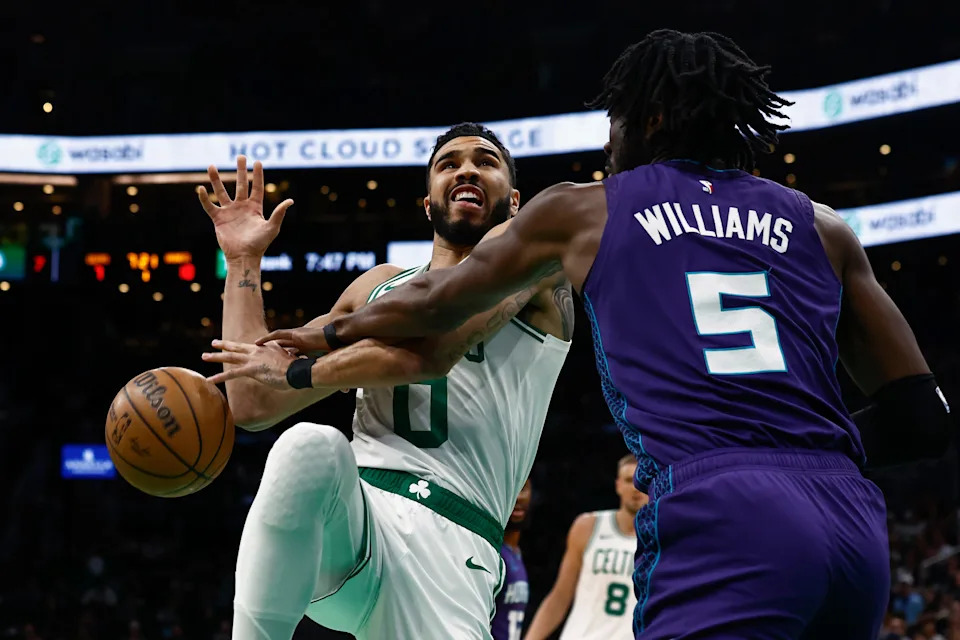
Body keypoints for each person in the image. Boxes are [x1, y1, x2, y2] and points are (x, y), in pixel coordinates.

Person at [258, 30, 953, 639]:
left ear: (648, 119)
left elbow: (435, 305)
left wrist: (319, 339)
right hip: (852, 527)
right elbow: (925, 416)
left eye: (614, 122)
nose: (605, 142)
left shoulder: (587, 210)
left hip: (723, 509)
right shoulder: (823, 226)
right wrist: (811, 455)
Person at [198, 124, 573, 640]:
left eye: (485, 161)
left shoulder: (538, 266)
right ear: (427, 204)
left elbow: (434, 344)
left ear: (514, 201)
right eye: (448, 163)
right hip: (358, 522)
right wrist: (243, 259)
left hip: (454, 544)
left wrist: (300, 369)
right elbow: (252, 398)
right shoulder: (376, 288)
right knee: (309, 445)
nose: (465, 169)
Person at [525, 455, 646, 640]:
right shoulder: (588, 526)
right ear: (618, 485)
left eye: (642, 481)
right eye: (629, 480)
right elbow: (560, 595)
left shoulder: (663, 540)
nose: (636, 488)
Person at [492, 478, 532, 640]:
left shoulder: (515, 552)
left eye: (524, 487)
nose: (519, 496)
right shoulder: (492, 552)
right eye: (511, 486)